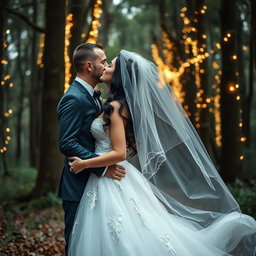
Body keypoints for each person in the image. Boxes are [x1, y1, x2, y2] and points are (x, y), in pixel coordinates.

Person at [68, 50, 256, 255]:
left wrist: (84, 163)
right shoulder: (115, 105)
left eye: (110, 65)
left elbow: (120, 153)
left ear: (120, 74)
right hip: (108, 176)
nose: (105, 67)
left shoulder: (114, 107)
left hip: (112, 176)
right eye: (105, 63)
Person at [57, 43, 126, 255]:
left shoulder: (95, 96)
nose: (105, 66)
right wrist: (102, 168)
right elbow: (67, 143)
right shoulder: (74, 98)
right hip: (78, 185)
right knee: (79, 245)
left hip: (100, 185)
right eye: (103, 61)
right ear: (89, 65)